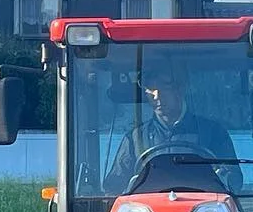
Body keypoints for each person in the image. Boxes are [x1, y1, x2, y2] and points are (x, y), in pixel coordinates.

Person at [103, 62, 244, 192]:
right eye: (151, 89)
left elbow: (234, 182)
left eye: (164, 88)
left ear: (181, 88)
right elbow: (115, 185)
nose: (157, 96)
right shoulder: (135, 138)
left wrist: (219, 175)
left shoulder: (214, 133)